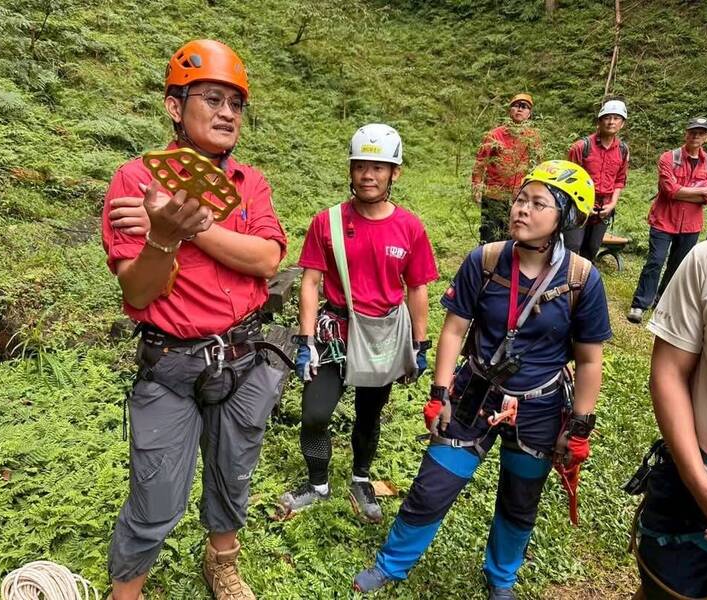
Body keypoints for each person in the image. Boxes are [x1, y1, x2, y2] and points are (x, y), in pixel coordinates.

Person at [354, 160, 612, 599]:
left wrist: (579, 426)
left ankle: (501, 579)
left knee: (520, 499)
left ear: (565, 218)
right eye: (519, 200)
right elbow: (454, 330)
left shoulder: (581, 280)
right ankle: (391, 565)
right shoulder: (486, 260)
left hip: (540, 406)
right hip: (475, 393)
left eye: (537, 204)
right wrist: (440, 394)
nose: (521, 211)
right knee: (433, 487)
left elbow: (589, 360)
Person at [101, 39, 287, 600]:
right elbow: (137, 289)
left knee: (234, 469)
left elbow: (268, 259)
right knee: (156, 491)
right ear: (174, 107)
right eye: (212, 98)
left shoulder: (249, 183)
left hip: (243, 356)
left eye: (236, 102)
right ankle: (127, 589)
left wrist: (191, 226)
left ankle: (222, 562)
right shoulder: (135, 180)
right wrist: (161, 237)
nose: (228, 112)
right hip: (171, 363)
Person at [278, 124, 438, 523]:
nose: (368, 175)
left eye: (379, 167)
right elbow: (311, 283)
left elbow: (417, 288)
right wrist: (306, 339)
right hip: (335, 328)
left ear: (393, 173)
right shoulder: (326, 223)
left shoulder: (410, 227)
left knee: (370, 411)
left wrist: (420, 344)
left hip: (382, 332)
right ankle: (317, 483)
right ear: (350, 170)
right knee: (315, 412)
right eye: (361, 166)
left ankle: (361, 478)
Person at [633, 240, 707, 598]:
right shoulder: (705, 261)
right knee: (664, 590)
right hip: (696, 472)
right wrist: (702, 487)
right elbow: (669, 372)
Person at [627, 116, 707, 324]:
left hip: (691, 224)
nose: (695, 136)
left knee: (678, 265)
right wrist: (700, 191)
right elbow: (669, 191)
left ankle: (662, 302)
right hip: (663, 220)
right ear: (686, 133)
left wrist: (685, 191)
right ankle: (639, 304)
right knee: (655, 261)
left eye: (701, 133)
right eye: (692, 131)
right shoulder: (669, 157)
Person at [472, 93, 543, 244]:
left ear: (529, 114)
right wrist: (477, 186)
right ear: (510, 110)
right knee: (489, 236)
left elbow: (539, 166)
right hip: (493, 196)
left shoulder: (533, 137)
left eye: (524, 107)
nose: (519, 109)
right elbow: (480, 162)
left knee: (512, 237)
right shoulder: (494, 135)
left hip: (519, 197)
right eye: (516, 105)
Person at [564, 99, 630, 261]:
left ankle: (583, 283)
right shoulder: (581, 147)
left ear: (622, 124)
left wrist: (613, 204)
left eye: (616, 118)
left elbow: (619, 180)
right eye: (607, 117)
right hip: (578, 206)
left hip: (604, 208)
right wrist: (583, 205)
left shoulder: (623, 150)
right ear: (599, 121)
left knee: (592, 249)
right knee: (572, 247)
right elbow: (568, 179)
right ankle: (562, 282)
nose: (611, 122)